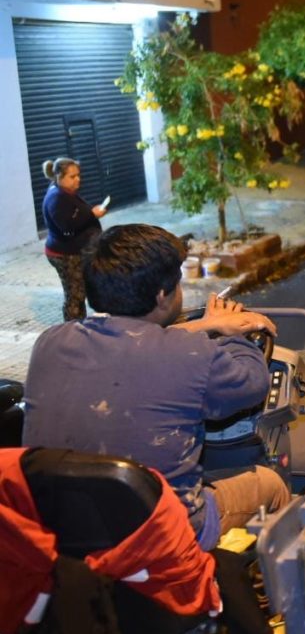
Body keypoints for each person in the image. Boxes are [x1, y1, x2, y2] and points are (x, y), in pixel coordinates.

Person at [22, 224, 289, 551]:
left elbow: (132, 337)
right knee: (272, 484)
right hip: (163, 534)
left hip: (63, 527)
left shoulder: (50, 342)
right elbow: (254, 382)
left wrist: (207, 324)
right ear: (162, 295)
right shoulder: (193, 356)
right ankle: (270, 591)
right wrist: (238, 334)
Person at [40, 158, 107, 321]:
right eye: (72, 176)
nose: (78, 179)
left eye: (78, 175)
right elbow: (67, 227)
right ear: (58, 176)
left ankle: (80, 325)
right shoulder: (57, 197)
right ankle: (73, 331)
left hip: (74, 250)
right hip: (64, 253)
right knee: (75, 294)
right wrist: (92, 214)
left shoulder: (65, 193)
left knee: (81, 289)